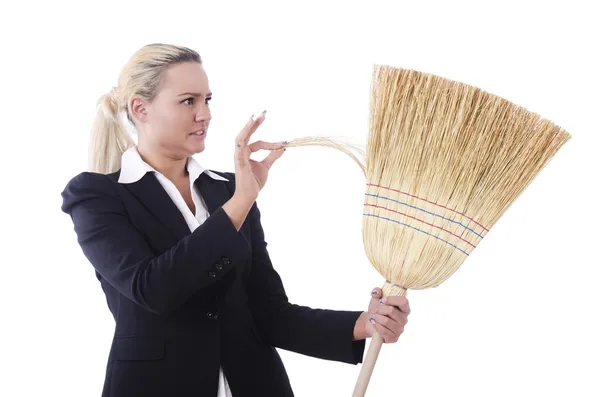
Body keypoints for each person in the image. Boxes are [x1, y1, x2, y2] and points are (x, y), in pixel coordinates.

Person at [60, 43, 411, 397]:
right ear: (141, 108)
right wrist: (242, 200)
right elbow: (152, 288)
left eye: (207, 100)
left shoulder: (228, 190)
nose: (205, 114)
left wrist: (364, 324)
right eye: (188, 101)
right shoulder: (97, 196)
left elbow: (268, 312)